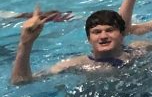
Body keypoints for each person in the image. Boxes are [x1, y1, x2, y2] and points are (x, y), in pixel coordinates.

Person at [11, 9, 143, 85]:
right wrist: (25, 43)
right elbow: (21, 82)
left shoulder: (138, 50)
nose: (103, 36)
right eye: (96, 32)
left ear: (121, 34)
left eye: (109, 30)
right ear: (89, 39)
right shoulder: (76, 64)